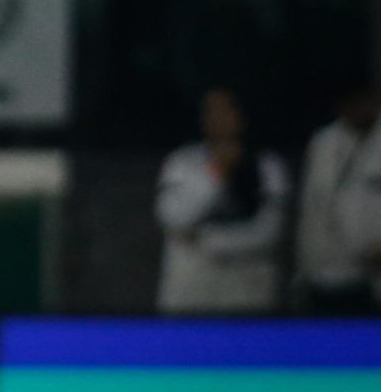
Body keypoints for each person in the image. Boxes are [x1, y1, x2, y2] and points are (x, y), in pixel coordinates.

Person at [155, 87, 288, 315]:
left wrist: (208, 240)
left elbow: (269, 233)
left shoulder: (268, 166)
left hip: (247, 294)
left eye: (226, 110)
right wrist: (217, 175)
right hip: (191, 295)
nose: (219, 118)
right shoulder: (182, 162)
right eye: (211, 111)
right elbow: (174, 218)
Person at [294, 79, 381, 314]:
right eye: (350, 104)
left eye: (363, 102)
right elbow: (311, 206)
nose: (357, 109)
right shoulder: (323, 141)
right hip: (321, 271)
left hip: (370, 275)